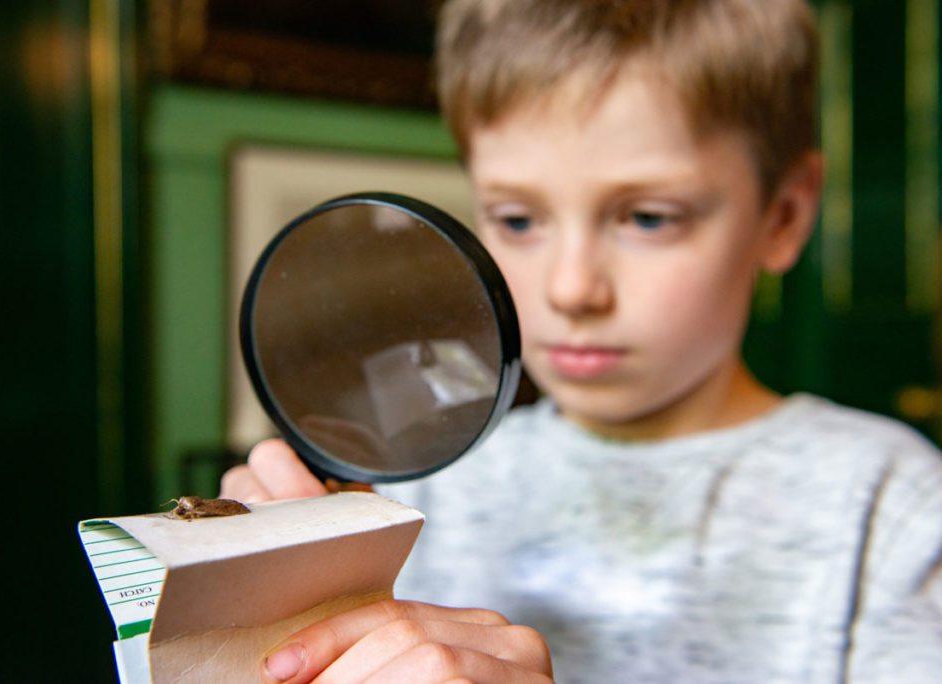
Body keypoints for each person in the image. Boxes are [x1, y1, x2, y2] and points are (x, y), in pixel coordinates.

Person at [221, 0, 942, 681]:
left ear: (783, 215)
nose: (571, 289)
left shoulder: (893, 514)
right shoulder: (406, 495)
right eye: (518, 220)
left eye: (649, 218)